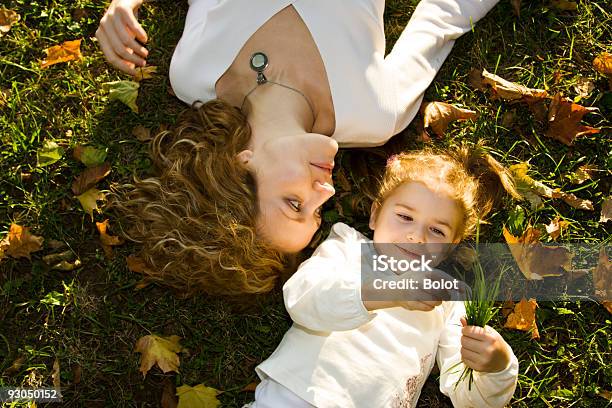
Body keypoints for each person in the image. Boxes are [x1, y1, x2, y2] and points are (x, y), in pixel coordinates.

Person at [97, 0, 501, 296]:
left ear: (239, 165)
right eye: (317, 212)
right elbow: (446, 14)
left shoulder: (194, 73)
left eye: (294, 203)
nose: (325, 192)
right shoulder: (375, 114)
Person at [246, 143, 522, 407]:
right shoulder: (348, 248)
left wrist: (496, 368)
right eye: (404, 217)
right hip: (299, 394)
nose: (416, 237)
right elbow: (302, 300)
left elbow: (469, 398)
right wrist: (388, 291)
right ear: (376, 215)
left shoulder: (449, 299)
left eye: (437, 231)